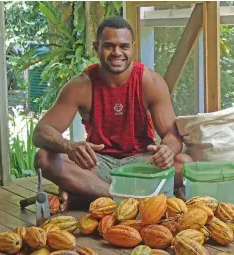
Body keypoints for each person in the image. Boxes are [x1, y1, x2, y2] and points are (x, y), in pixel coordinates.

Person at [33, 16, 193, 211]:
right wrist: (69, 146)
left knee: (184, 164)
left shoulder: (151, 81)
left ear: (132, 47)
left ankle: (88, 197)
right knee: (43, 158)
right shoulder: (81, 85)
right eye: (109, 46)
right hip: (97, 164)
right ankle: (120, 197)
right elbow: (40, 132)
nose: (117, 53)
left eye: (124, 46)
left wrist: (167, 150)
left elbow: (173, 135)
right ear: (96, 47)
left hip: (142, 162)